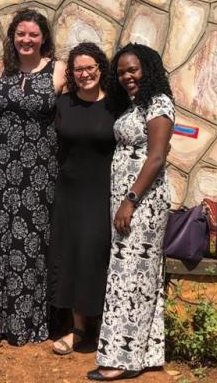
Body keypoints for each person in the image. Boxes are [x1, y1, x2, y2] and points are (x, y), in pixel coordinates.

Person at [88, 43, 174, 381]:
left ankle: (120, 360)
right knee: (138, 275)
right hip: (128, 199)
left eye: (133, 70)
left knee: (129, 277)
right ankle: (147, 352)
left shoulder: (159, 103)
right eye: (122, 72)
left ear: (147, 69)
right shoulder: (135, 105)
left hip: (143, 202)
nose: (127, 77)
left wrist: (131, 199)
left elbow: (156, 157)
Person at [0, 8, 66, 346]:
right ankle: (1, 320)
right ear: (12, 37)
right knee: (1, 239)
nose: (26, 40)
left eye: (33, 34)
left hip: (40, 170)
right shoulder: (2, 69)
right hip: (1, 167)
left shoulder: (57, 70)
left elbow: (84, 103)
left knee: (32, 241)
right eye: (20, 34)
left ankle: (29, 322)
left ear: (43, 37)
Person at [49, 42, 116, 356]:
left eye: (91, 67)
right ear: (71, 74)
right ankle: (77, 330)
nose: (85, 73)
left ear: (100, 68)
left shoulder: (117, 105)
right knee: (73, 257)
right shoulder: (63, 104)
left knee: (95, 257)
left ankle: (104, 329)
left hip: (103, 194)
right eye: (79, 69)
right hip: (68, 193)